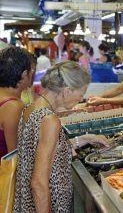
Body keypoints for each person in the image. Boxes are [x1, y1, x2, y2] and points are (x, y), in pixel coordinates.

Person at [13, 61, 109, 212]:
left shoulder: (30, 108)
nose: (80, 100)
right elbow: (38, 183)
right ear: (67, 91)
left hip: (25, 203)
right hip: (48, 205)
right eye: (81, 95)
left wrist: (85, 138)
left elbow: (45, 150)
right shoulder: (50, 120)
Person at [0, 47, 34, 159]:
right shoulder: (13, 106)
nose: (33, 72)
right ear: (24, 74)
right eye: (31, 69)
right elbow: (14, 155)